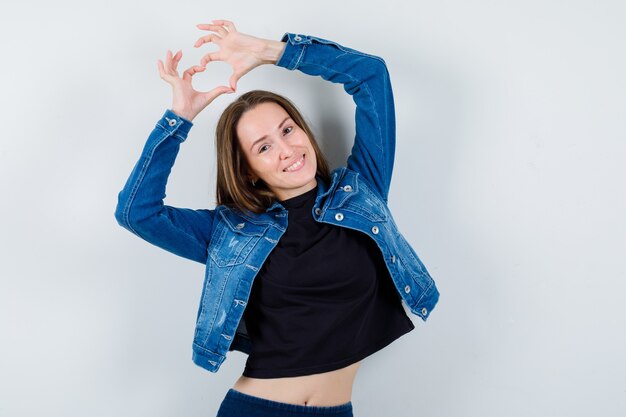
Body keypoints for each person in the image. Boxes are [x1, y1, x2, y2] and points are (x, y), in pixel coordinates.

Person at [115, 19, 439, 417]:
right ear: (249, 169)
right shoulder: (232, 232)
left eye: (288, 129)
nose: (287, 149)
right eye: (264, 146)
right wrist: (179, 118)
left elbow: (371, 76)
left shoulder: (361, 191)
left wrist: (270, 51)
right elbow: (137, 213)